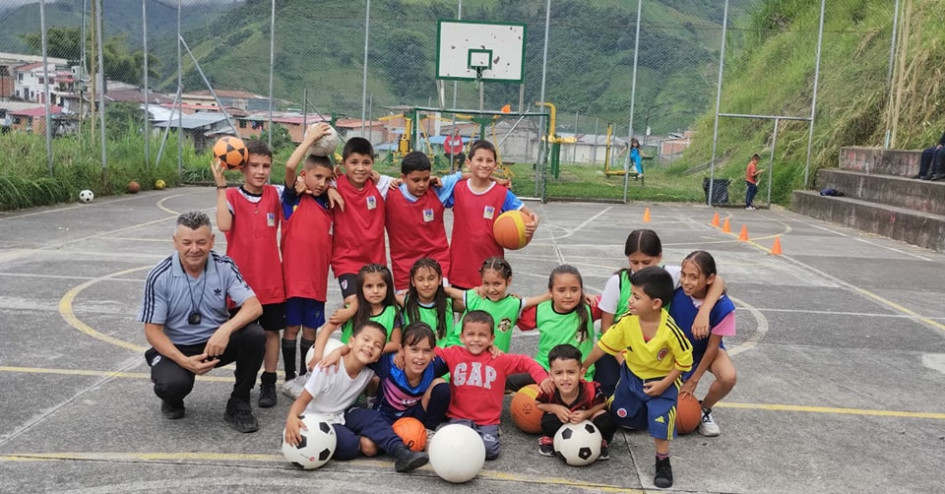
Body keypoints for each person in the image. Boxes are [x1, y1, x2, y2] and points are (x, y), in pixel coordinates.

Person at [138, 211, 265, 433]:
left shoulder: (224, 266)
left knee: (255, 335)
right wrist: (184, 361)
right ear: (175, 242)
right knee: (172, 385)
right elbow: (153, 331)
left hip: (215, 343)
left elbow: (254, 306)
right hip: (178, 347)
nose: (194, 249)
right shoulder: (160, 275)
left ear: (212, 241)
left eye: (201, 242)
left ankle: (239, 402)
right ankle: (172, 397)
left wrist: (226, 329)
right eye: (187, 242)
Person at [583, 266, 692, 489]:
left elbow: (684, 362)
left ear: (656, 304)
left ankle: (662, 461)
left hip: (662, 381)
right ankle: (608, 431)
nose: (630, 300)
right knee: (618, 411)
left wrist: (664, 384)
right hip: (632, 376)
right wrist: (584, 365)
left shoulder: (670, 330)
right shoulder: (626, 321)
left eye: (636, 296)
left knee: (660, 420)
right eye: (631, 294)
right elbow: (604, 345)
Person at [283, 321, 428, 472]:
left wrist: (401, 352)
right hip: (318, 419)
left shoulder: (370, 368)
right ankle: (363, 441)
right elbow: (303, 399)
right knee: (350, 446)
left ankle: (401, 452)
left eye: (377, 345)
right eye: (366, 340)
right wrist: (292, 417)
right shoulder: (327, 368)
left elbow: (395, 350)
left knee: (370, 417)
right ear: (352, 341)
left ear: (378, 356)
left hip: (343, 414)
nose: (370, 345)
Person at [596, 229, 724, 396]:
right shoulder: (618, 282)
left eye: (646, 262)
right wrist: (623, 363)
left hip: (654, 352)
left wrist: (704, 311)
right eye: (634, 262)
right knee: (614, 394)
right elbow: (606, 328)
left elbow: (718, 281)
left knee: (657, 397)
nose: (640, 268)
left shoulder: (668, 275)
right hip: (620, 350)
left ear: (659, 257)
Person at [211, 139, 285, 409]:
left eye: (266, 166)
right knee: (244, 335)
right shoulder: (231, 196)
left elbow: (301, 182)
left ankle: (269, 380)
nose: (260, 171)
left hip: (271, 279)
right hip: (240, 282)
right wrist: (221, 185)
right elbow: (222, 224)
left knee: (271, 332)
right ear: (242, 167)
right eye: (254, 165)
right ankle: (244, 380)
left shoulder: (276, 194)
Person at [435, 310, 552, 460]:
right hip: (459, 417)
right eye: (471, 334)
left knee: (490, 452)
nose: (476, 339)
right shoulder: (453, 353)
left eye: (482, 335)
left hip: (487, 420)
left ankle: (489, 434)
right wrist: (401, 353)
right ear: (462, 337)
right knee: (455, 448)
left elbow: (525, 361)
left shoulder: (499, 359)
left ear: (491, 339)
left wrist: (542, 379)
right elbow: (429, 351)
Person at [280, 129, 335, 394]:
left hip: (316, 282)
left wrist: (333, 188)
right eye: (317, 177)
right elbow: (290, 165)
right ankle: (289, 377)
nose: (322, 183)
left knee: (310, 332)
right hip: (292, 281)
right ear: (304, 176)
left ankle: (304, 377)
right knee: (291, 328)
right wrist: (309, 140)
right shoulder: (293, 198)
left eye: (327, 179)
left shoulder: (327, 202)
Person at [444, 140, 539, 290]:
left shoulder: (502, 193)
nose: (484, 164)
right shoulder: (457, 189)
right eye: (479, 160)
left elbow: (529, 213)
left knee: (490, 311)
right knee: (464, 312)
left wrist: (534, 222)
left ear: (495, 165)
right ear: (468, 163)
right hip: (461, 266)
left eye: (489, 161)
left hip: (492, 270)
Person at [670, 251, 737, 437]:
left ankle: (704, 409)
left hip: (705, 350)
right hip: (676, 351)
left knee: (728, 377)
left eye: (693, 277)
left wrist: (693, 380)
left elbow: (712, 348)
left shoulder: (723, 307)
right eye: (684, 275)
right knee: (669, 405)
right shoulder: (675, 291)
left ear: (710, 279)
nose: (686, 281)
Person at [510, 265, 597, 391]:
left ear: (581, 291)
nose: (568, 295)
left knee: (573, 405)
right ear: (550, 291)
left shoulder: (590, 307)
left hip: (577, 374)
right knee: (505, 381)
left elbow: (619, 302)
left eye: (574, 290)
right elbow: (506, 313)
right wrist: (508, 300)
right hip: (545, 370)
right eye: (561, 290)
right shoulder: (541, 309)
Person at [386, 151, 459, 291]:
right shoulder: (389, 193)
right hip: (404, 267)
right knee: (410, 310)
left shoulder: (438, 190)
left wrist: (497, 180)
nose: (421, 184)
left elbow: (465, 175)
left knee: (439, 307)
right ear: (403, 177)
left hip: (437, 261)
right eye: (416, 180)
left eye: (425, 179)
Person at [332, 137, 393, 303]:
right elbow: (308, 178)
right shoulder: (334, 185)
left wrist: (432, 180)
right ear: (344, 163)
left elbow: (409, 181)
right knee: (353, 304)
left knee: (376, 312)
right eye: (354, 162)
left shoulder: (380, 185)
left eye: (366, 163)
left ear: (372, 164)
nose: (360, 168)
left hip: (376, 264)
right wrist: (328, 188)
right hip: (346, 262)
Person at [442, 257, 548, 351]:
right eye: (486, 283)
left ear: (509, 281)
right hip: (461, 350)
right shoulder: (477, 297)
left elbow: (538, 299)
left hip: (493, 360)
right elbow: (450, 292)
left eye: (497, 284)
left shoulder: (513, 304)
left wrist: (552, 295)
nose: (491, 289)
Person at [535, 344, 615, 461]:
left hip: (587, 418)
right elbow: (538, 403)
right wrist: (555, 408)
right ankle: (551, 439)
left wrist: (587, 414)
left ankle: (600, 441)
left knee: (605, 420)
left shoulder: (590, 390)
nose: (565, 378)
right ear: (550, 375)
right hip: (563, 419)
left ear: (581, 373)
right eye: (559, 373)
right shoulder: (550, 390)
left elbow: (603, 402)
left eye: (571, 372)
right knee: (548, 421)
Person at [398, 258, 461, 347]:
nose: (426, 284)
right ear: (413, 281)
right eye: (420, 279)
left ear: (439, 279)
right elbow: (384, 295)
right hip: (414, 355)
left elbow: (475, 301)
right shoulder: (406, 302)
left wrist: (446, 291)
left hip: (442, 355)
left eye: (431, 279)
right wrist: (411, 291)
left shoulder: (448, 303)